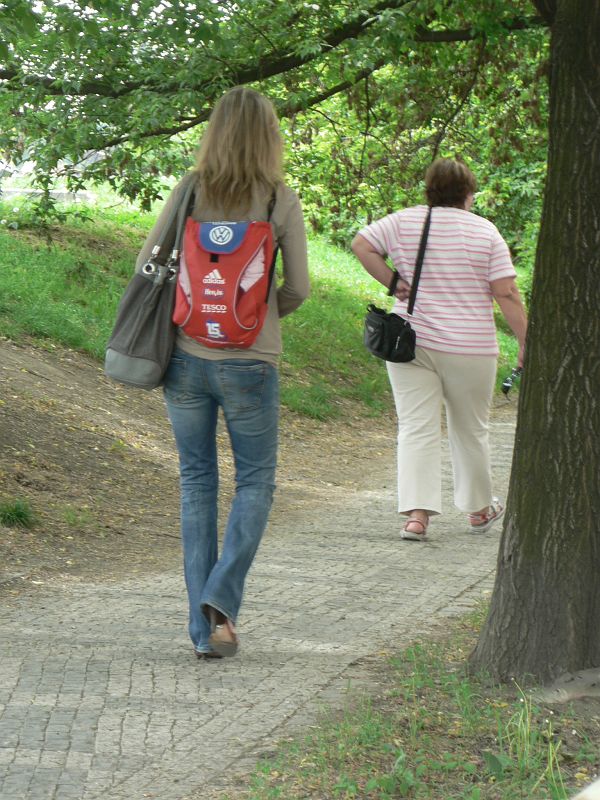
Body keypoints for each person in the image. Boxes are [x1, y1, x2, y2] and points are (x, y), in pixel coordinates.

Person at [136, 87, 310, 658]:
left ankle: (203, 631)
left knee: (197, 483)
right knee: (255, 481)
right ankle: (222, 598)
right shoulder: (278, 197)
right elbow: (299, 289)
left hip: (184, 358)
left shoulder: (189, 190)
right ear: (269, 137)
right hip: (251, 366)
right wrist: (255, 319)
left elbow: (148, 263)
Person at [351, 158, 527, 541]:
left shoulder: (404, 221)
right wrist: (526, 340)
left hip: (411, 342)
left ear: (428, 189)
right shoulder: (485, 232)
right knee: (470, 429)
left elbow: (362, 244)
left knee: (416, 426)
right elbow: (506, 292)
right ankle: (479, 510)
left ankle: (417, 517)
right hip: (471, 347)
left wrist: (393, 281)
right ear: (468, 193)